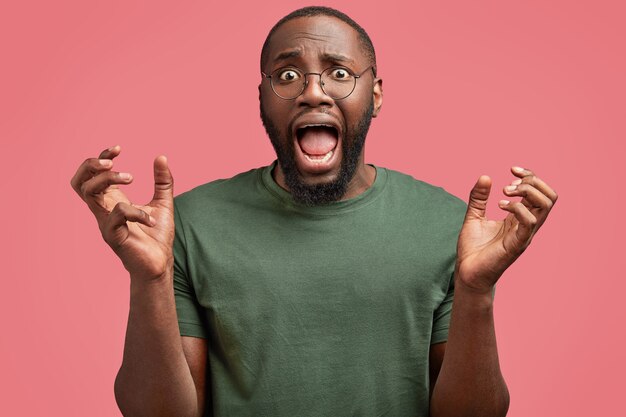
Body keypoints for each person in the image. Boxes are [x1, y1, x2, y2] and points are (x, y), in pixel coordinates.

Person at [70, 6, 557, 417]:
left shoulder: (449, 225)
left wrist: (477, 290)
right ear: (262, 98)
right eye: (286, 76)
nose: (313, 91)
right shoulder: (187, 224)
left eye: (340, 73)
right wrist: (148, 279)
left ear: (377, 95)